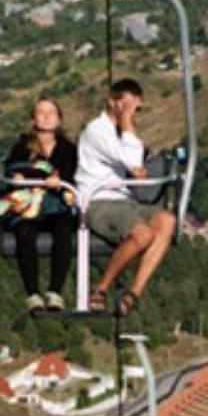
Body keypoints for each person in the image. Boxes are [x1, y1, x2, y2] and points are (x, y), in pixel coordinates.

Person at [75, 78, 178, 316]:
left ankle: (133, 293)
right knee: (143, 234)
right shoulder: (97, 132)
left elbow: (138, 168)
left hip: (124, 201)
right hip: (98, 200)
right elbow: (134, 164)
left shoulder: (121, 136)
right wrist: (126, 121)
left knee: (167, 221)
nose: (133, 114)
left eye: (136, 109)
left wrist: (128, 131)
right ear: (113, 103)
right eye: (128, 106)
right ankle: (101, 289)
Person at [0, 96, 79, 315]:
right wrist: (43, 177)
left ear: (59, 119)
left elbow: (70, 175)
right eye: (41, 113)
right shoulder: (23, 146)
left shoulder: (68, 149)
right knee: (25, 231)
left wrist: (51, 180)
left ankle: (55, 291)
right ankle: (32, 293)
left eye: (51, 113)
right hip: (30, 205)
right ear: (33, 119)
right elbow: (15, 170)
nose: (46, 117)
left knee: (63, 230)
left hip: (55, 204)